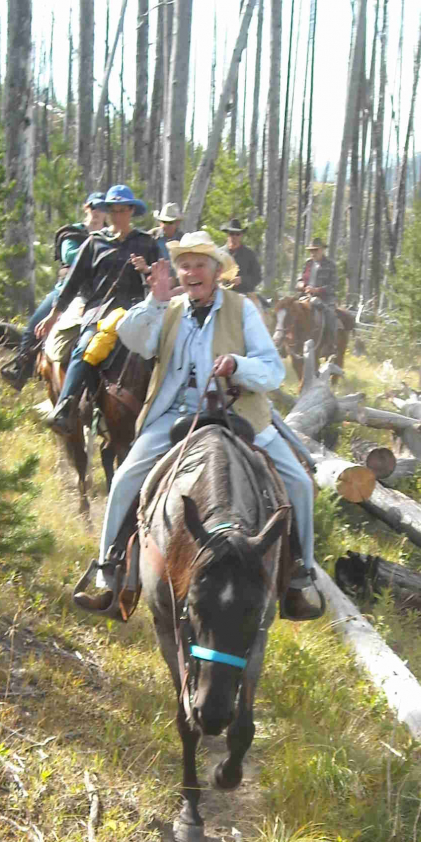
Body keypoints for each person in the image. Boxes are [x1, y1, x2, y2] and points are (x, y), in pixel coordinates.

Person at [73, 230, 323, 621]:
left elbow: (273, 370)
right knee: (125, 479)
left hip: (237, 410)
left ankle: (299, 578)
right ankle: (111, 572)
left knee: (299, 483)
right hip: (174, 413)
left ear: (217, 270)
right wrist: (154, 300)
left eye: (200, 265)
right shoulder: (167, 307)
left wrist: (239, 366)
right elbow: (134, 339)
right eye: (184, 265)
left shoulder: (242, 309)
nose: (191, 273)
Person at [43, 184, 159, 435]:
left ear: (131, 211)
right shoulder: (95, 243)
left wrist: (147, 271)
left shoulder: (147, 243)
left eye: (122, 210)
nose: (117, 215)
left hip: (138, 312)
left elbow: (165, 277)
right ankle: (66, 404)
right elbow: (73, 280)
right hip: (100, 312)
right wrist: (55, 313)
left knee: (167, 352)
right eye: (113, 210)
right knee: (84, 347)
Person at [1, 193, 106, 392]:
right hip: (68, 291)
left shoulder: (111, 236)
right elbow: (70, 255)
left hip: (99, 292)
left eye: (102, 209)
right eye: (94, 208)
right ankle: (21, 367)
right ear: (87, 208)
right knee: (36, 324)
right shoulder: (73, 233)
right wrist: (98, 249)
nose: (98, 213)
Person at [296, 236, 338, 346]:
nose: (313, 253)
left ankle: (331, 345)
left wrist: (317, 290)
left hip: (324, 299)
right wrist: (301, 284)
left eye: (316, 250)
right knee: (289, 310)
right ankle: (286, 343)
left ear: (322, 250)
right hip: (305, 296)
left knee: (330, 316)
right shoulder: (308, 263)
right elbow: (300, 279)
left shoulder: (331, 265)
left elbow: (333, 286)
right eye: (311, 251)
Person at [220, 217, 262, 296]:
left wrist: (242, 280)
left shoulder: (249, 254)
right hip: (222, 294)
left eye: (237, 234)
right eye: (231, 233)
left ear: (241, 235)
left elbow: (257, 277)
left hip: (244, 294)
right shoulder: (219, 254)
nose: (234, 237)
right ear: (227, 235)